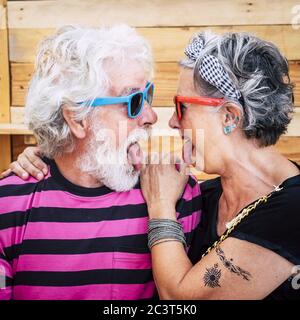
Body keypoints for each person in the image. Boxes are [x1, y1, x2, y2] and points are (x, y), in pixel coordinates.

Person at [6, 31, 300, 300]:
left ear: (229, 117)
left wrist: (160, 205)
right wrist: (52, 150)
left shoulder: (287, 208)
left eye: (180, 107)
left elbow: (181, 300)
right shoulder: (204, 196)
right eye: (135, 100)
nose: (163, 119)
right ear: (77, 119)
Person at [0, 25, 201, 300]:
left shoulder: (174, 194)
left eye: (147, 96)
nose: (151, 116)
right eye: (133, 101)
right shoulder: (7, 207)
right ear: (78, 119)